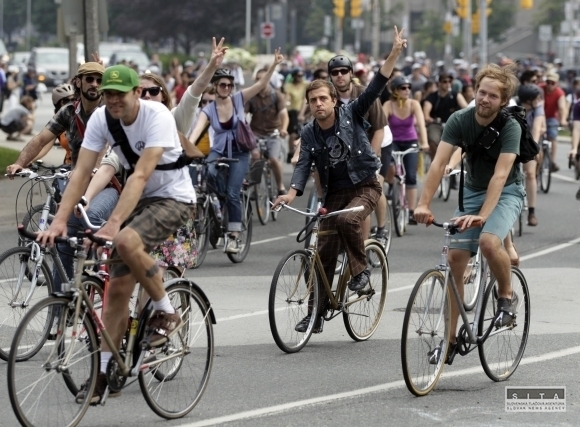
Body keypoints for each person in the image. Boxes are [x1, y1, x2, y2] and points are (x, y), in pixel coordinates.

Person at [37, 64, 196, 404]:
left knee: (123, 239)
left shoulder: (157, 117)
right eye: (108, 94)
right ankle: (104, 376)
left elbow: (140, 175)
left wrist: (113, 223)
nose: (112, 100)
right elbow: (82, 170)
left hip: (172, 197)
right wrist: (59, 220)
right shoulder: (101, 119)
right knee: (117, 292)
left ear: (136, 92)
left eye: (119, 94)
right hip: (138, 200)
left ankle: (166, 310)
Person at [273, 26, 406, 332]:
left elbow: (376, 86)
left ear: (333, 100)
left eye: (323, 98)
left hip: (365, 185)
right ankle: (315, 313)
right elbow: (303, 165)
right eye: (313, 100)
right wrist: (290, 193)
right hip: (335, 193)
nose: (318, 103)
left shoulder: (353, 111)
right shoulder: (308, 132)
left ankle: (361, 272)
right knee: (322, 253)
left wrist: (394, 53)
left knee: (348, 222)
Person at [413, 63, 524, 363]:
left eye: (492, 96)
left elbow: (501, 177)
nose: (485, 99)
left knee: (488, 243)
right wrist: (423, 203)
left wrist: (483, 216)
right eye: (481, 92)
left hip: (507, 191)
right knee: (455, 260)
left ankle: (505, 297)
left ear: (503, 101)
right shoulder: (459, 120)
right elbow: (438, 164)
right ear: (474, 92)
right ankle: (449, 340)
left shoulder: (510, 127)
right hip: (473, 190)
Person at [188, 50, 285, 254]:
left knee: (233, 192)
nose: (226, 88)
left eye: (229, 85)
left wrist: (274, 65)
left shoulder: (239, 99)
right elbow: (195, 133)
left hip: (240, 153)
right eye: (222, 84)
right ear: (215, 86)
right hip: (219, 151)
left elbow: (259, 85)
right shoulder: (208, 110)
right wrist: (185, 151)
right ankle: (222, 205)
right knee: (208, 175)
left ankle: (233, 236)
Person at [326, 53, 388, 241]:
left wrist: (373, 157)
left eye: (344, 71)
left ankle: (381, 230)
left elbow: (378, 129)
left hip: (369, 149)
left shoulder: (365, 95)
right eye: (335, 72)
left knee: (371, 187)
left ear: (351, 73)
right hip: (340, 155)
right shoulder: (327, 97)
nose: (339, 76)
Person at [6, 61, 106, 176]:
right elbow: (40, 140)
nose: (95, 84)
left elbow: (104, 147)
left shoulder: (108, 111)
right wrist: (19, 164)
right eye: (89, 79)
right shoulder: (68, 111)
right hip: (75, 180)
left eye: (99, 81)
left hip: (105, 181)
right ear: (78, 82)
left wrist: (94, 170)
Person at [383, 75, 429, 224]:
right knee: (389, 165)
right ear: (395, 90)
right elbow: (382, 127)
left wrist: (425, 142)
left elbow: (421, 124)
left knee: (410, 175)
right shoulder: (388, 105)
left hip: (410, 141)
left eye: (409, 87)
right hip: (393, 141)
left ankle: (411, 211)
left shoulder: (414, 104)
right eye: (403, 88)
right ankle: (391, 185)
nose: (407, 90)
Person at [246, 67, 289, 195]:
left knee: (274, 159)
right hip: (256, 132)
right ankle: (256, 186)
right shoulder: (252, 97)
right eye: (257, 79)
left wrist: (283, 129)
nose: (260, 81)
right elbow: (243, 116)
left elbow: (284, 115)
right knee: (255, 156)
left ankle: (280, 186)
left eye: (263, 79)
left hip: (273, 132)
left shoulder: (276, 95)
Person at [517, 84, 546, 226]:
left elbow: (536, 129)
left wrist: (534, 149)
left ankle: (532, 212)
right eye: (535, 98)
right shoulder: (514, 106)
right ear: (527, 100)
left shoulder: (538, 108)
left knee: (530, 173)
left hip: (530, 142)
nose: (539, 100)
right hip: (515, 140)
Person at [539, 71, 567, 172]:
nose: (549, 85)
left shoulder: (559, 93)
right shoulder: (540, 88)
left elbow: (562, 107)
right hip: (539, 115)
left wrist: (563, 119)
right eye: (548, 82)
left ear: (557, 84)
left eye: (552, 83)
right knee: (536, 135)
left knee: (553, 136)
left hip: (551, 117)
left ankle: (552, 162)